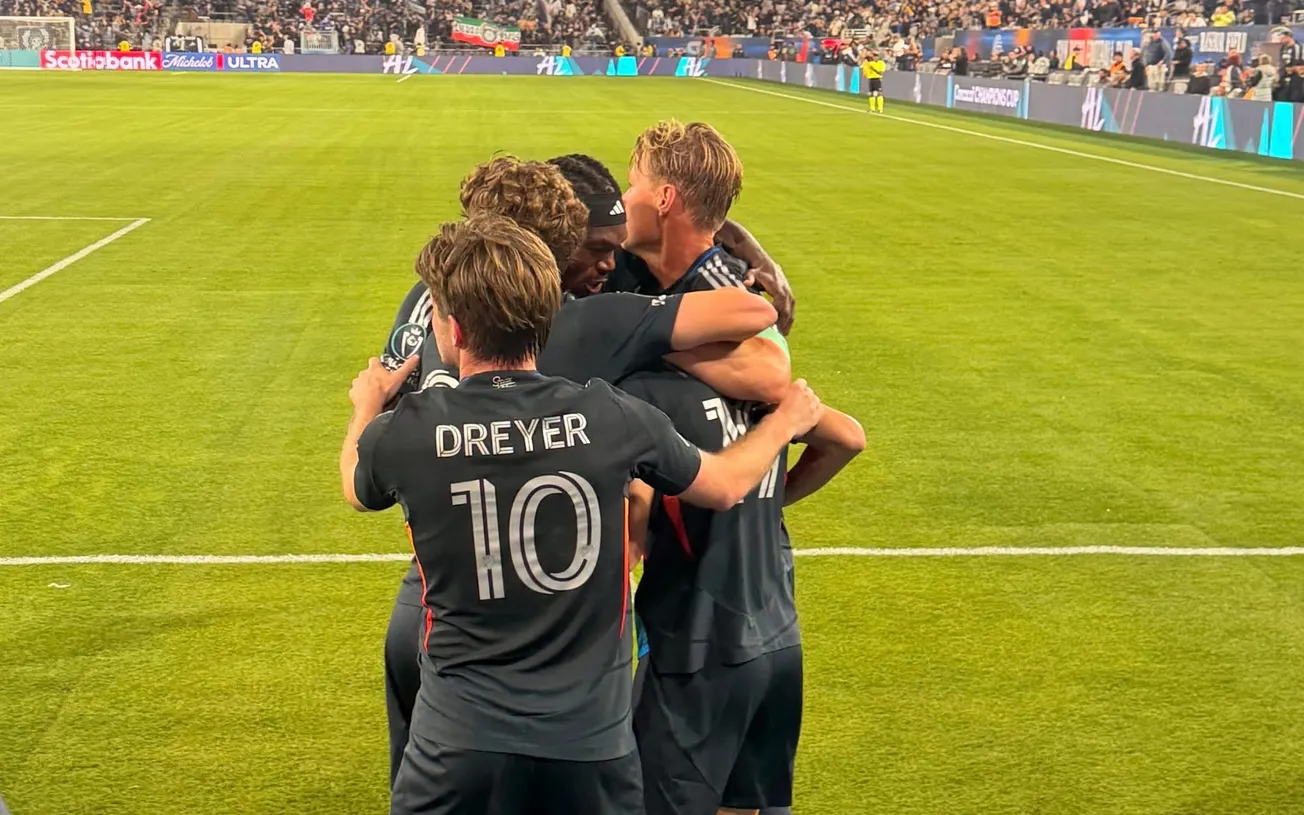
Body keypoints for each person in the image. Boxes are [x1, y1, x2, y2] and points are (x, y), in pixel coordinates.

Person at [344, 213, 824, 815]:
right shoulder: (613, 416)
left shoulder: (404, 434)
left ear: (456, 328)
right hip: (591, 749)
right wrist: (784, 422)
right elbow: (725, 484)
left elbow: (356, 487)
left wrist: (365, 406)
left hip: (456, 746)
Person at [616, 118, 865, 815]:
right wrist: (768, 494)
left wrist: (641, 345)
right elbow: (845, 437)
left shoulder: (672, 331)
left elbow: (769, 372)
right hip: (776, 630)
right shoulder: (736, 293)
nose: (624, 196)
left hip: (697, 638)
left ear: (664, 197)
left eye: (633, 181)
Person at [861, 49, 886, 114]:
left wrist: (873, 67)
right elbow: (866, 67)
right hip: (871, 79)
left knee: (879, 93)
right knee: (871, 94)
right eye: (874, 56)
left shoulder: (881, 63)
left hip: (877, 79)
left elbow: (881, 71)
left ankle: (880, 109)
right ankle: (872, 109)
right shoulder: (870, 63)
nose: (875, 57)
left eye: (876, 56)